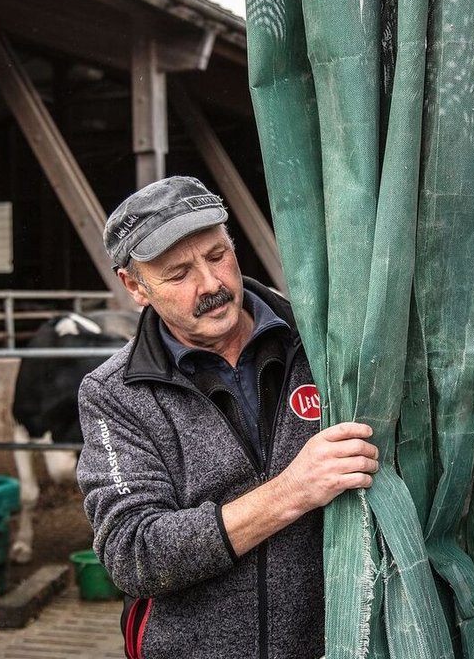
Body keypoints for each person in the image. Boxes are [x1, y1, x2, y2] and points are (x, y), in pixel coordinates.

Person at [77, 176, 379, 659]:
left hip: (336, 646)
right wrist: (291, 491)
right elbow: (133, 554)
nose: (212, 284)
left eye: (218, 256)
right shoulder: (115, 394)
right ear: (135, 286)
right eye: (178, 274)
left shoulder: (322, 340)